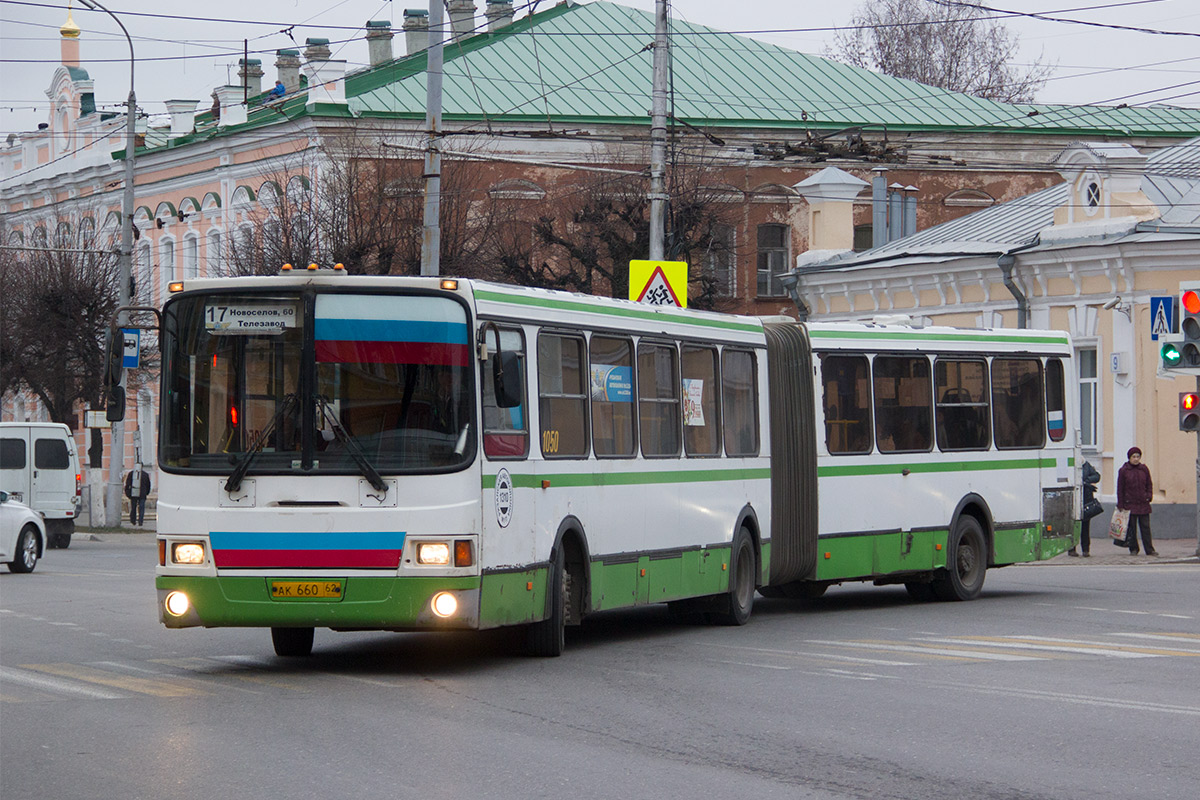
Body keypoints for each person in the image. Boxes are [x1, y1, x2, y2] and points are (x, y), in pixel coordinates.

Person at [1116, 446, 1156, 556]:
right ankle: (1133, 549)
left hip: (1143, 503)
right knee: (1132, 528)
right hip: (1130, 504)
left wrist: (1148, 496)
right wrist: (1121, 503)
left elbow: (1149, 484)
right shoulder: (1124, 470)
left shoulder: (1143, 469)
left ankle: (1149, 549)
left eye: (1138, 456)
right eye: (1134, 456)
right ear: (1129, 457)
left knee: (1146, 528)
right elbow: (1120, 488)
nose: (1136, 459)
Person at [1069, 461, 1100, 557]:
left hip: (1086, 498)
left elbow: (1097, 476)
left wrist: (1085, 480)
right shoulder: (1070, 462)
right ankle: (1071, 548)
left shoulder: (1085, 464)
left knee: (1085, 525)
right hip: (1072, 498)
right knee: (1072, 525)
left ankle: (1086, 549)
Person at [124, 463, 151, 527]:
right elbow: (148, 486)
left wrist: (128, 494)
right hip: (141, 494)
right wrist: (146, 493)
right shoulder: (145, 475)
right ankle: (140, 521)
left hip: (134, 494)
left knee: (134, 507)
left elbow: (127, 485)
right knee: (141, 508)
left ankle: (133, 520)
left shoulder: (132, 474)